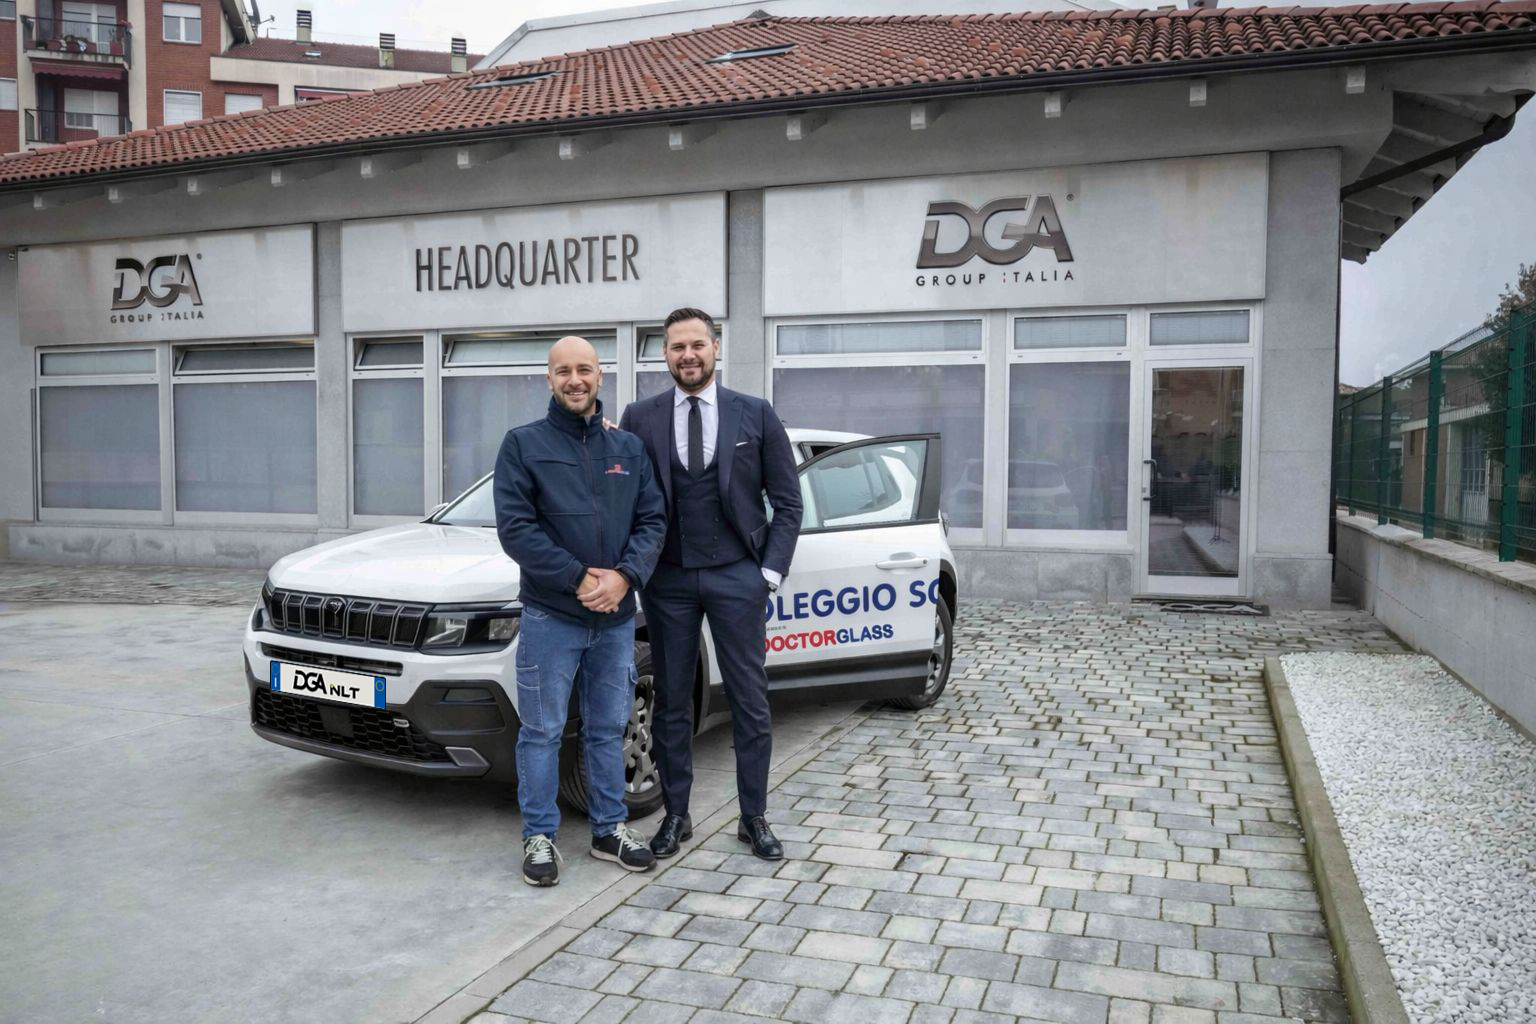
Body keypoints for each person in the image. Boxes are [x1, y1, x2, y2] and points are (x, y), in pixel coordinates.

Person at [619, 308, 803, 861]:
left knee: (749, 699)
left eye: (697, 344)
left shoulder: (755, 413)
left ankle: (754, 816)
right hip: (668, 580)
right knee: (673, 701)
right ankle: (676, 815)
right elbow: (622, 494)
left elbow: (788, 502)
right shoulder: (639, 417)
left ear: (716, 347)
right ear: (665, 354)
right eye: (677, 347)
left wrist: (768, 574)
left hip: (738, 576)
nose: (688, 355)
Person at [494, 336, 667, 887]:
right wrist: (579, 578)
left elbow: (653, 521)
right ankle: (539, 835)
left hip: (615, 619)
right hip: (552, 616)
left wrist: (623, 577)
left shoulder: (628, 449)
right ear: (549, 379)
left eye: (585, 370)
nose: (575, 380)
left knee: (607, 727)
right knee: (542, 731)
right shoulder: (523, 445)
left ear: (600, 376)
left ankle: (608, 829)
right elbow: (516, 530)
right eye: (564, 371)